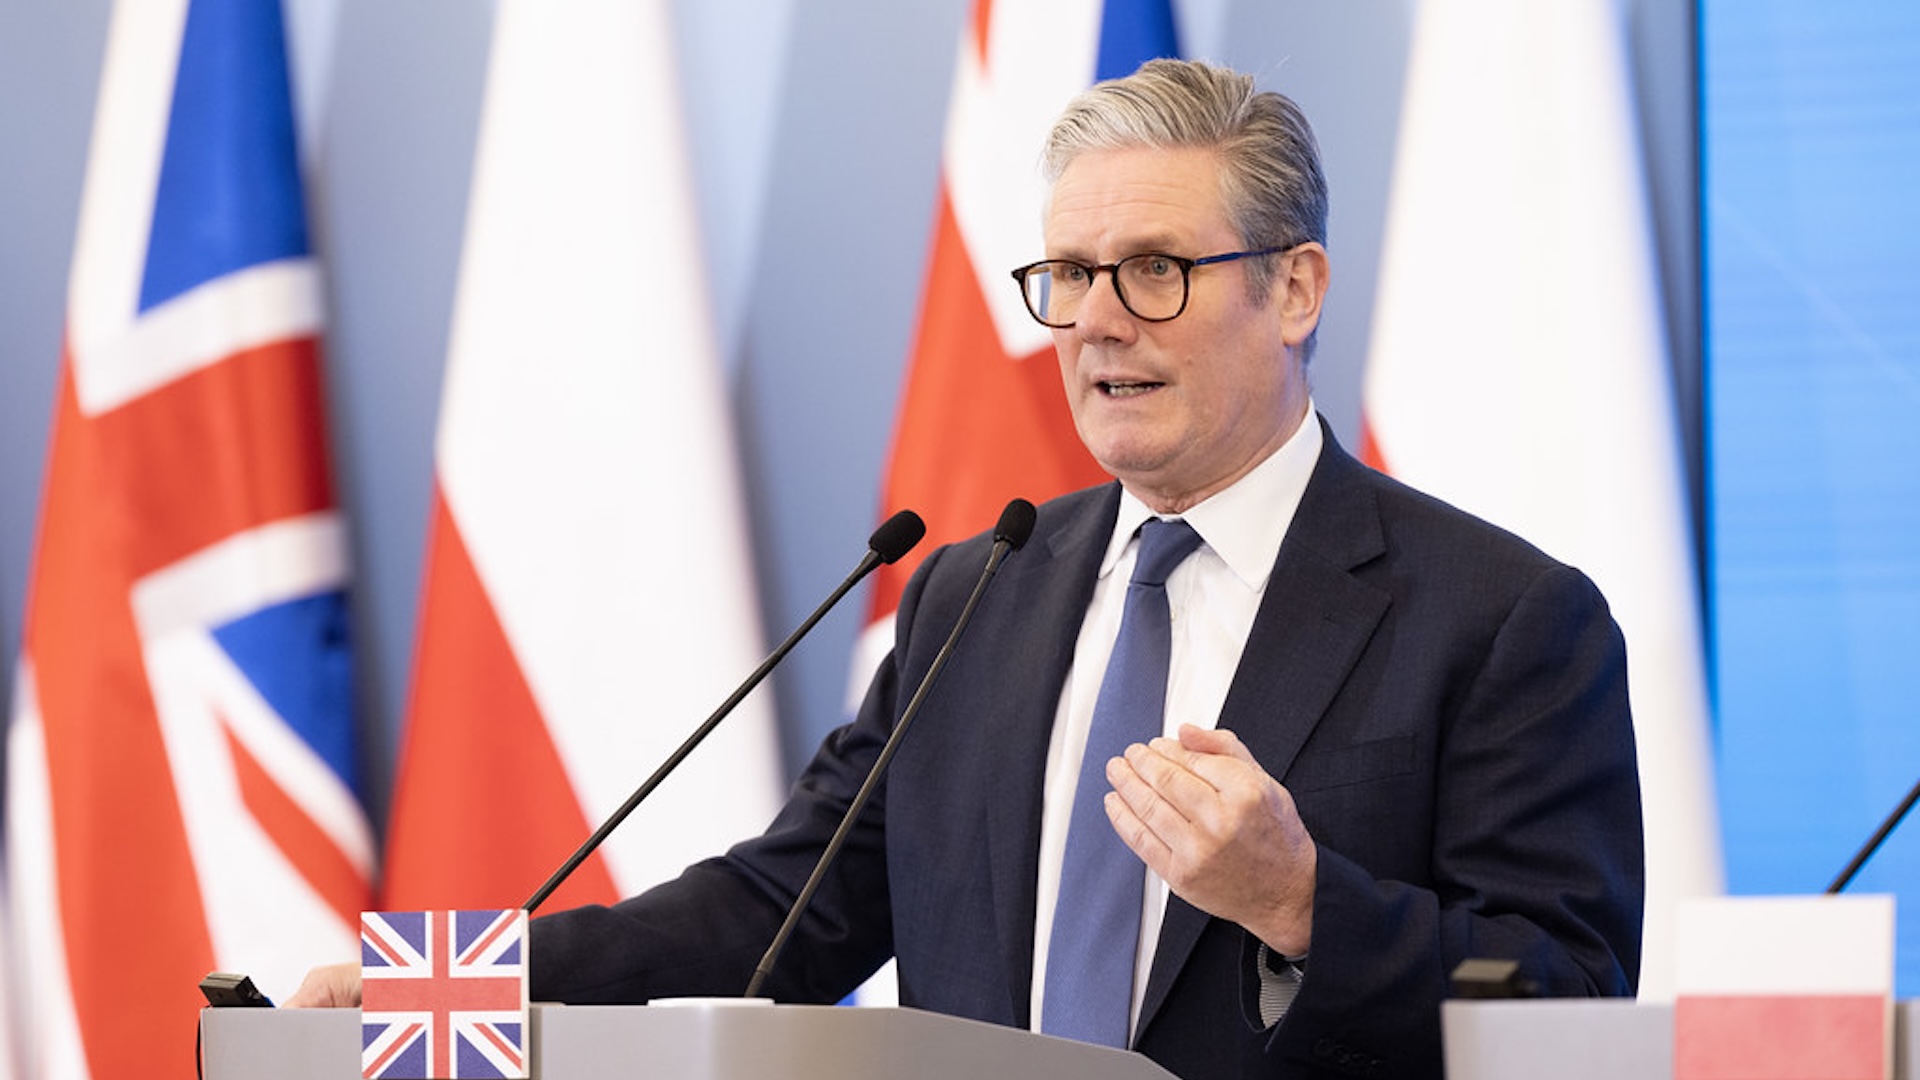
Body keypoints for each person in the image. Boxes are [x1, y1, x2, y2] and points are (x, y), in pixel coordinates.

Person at [293, 58, 1643, 1080]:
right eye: (1068, 274)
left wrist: (1300, 901)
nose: (1099, 320)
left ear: (1294, 290)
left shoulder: (1501, 619)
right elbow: (784, 911)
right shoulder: (974, 592)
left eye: (1158, 269)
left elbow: (1570, 1013)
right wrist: (449, 983)